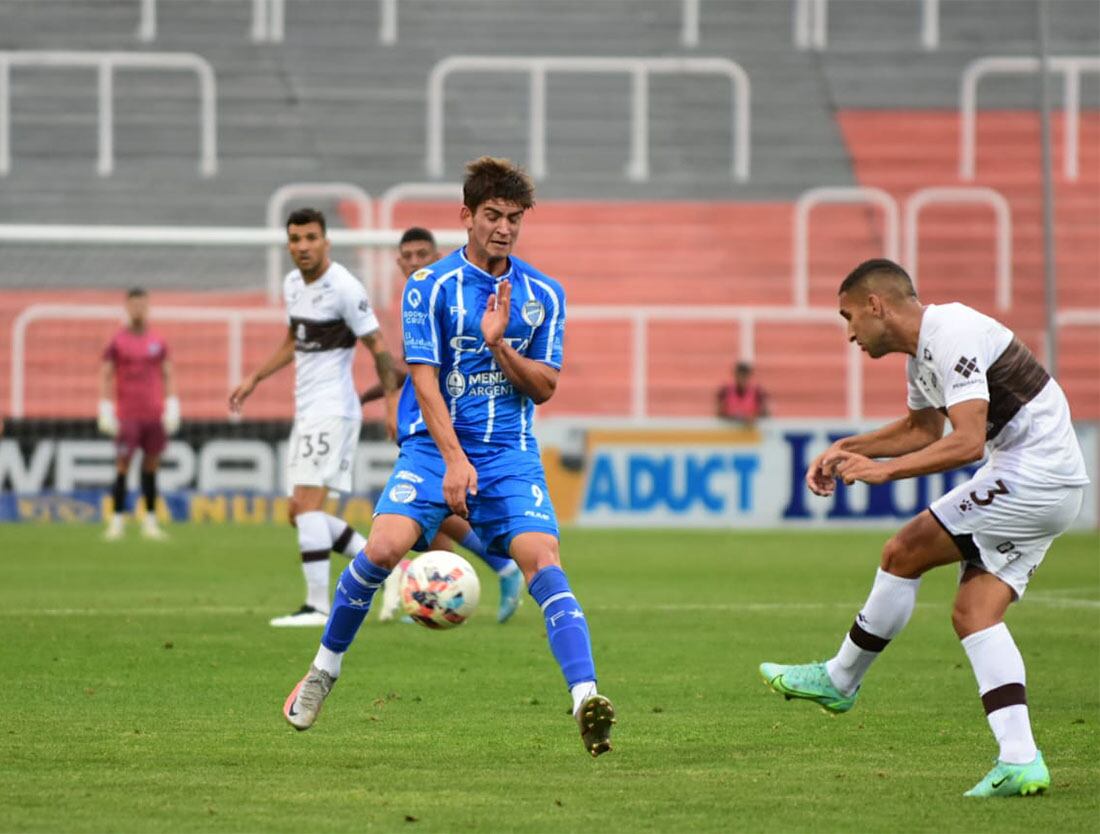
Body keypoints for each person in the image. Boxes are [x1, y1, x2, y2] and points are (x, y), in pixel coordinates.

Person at [283, 157, 616, 757]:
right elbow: (426, 381)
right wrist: (455, 459)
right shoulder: (428, 286)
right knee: (383, 547)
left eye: (514, 219)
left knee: (545, 561)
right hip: (436, 450)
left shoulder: (545, 294)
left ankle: (586, 698)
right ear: (466, 215)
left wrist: (499, 345)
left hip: (511, 452)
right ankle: (321, 673)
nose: (504, 228)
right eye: (492, 215)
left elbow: (544, 386)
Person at [759, 258, 1088, 797]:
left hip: (1033, 474)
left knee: (903, 550)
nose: (849, 335)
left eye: (848, 318)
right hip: (1051, 484)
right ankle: (1021, 758)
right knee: (974, 614)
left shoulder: (952, 331)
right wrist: (849, 449)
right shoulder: (923, 357)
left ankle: (840, 678)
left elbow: (968, 441)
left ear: (875, 305)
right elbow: (922, 428)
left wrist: (883, 471)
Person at [230, 208, 401, 627]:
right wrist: (255, 376)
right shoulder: (293, 284)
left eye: (310, 238)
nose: (303, 246)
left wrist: (392, 402)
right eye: (295, 239)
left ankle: (317, 606)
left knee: (307, 509)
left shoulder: (343, 287)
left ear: (326, 241)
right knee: (298, 512)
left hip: (333, 410)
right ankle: (392, 571)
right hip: (307, 411)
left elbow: (378, 345)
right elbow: (295, 338)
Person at [361, 226, 524, 624]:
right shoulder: (417, 301)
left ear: (437, 255)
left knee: (426, 508)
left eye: (423, 254)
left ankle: (498, 566)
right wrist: (384, 401)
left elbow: (422, 370)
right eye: (408, 256)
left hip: (444, 423)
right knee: (431, 515)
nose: (415, 262)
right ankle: (441, 590)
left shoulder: (452, 299)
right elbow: (407, 368)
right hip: (415, 419)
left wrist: (384, 401)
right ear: (399, 262)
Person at [98, 287, 179, 541]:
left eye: (142, 305)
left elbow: (168, 373)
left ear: (147, 307)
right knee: (122, 466)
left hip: (154, 414)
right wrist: (105, 406)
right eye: (134, 305)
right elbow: (106, 373)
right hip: (127, 415)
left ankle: (151, 522)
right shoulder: (117, 341)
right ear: (127, 307)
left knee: (151, 467)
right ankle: (117, 521)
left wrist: (173, 403)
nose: (138, 310)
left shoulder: (158, 341)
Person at [716, 360, 768, 425]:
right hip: (730, 430)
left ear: (749, 375)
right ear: (735, 375)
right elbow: (719, 413)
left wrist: (752, 417)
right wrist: (735, 418)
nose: (742, 378)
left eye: (745, 375)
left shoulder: (758, 391)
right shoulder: (725, 391)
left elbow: (765, 413)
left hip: (751, 431)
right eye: (740, 374)